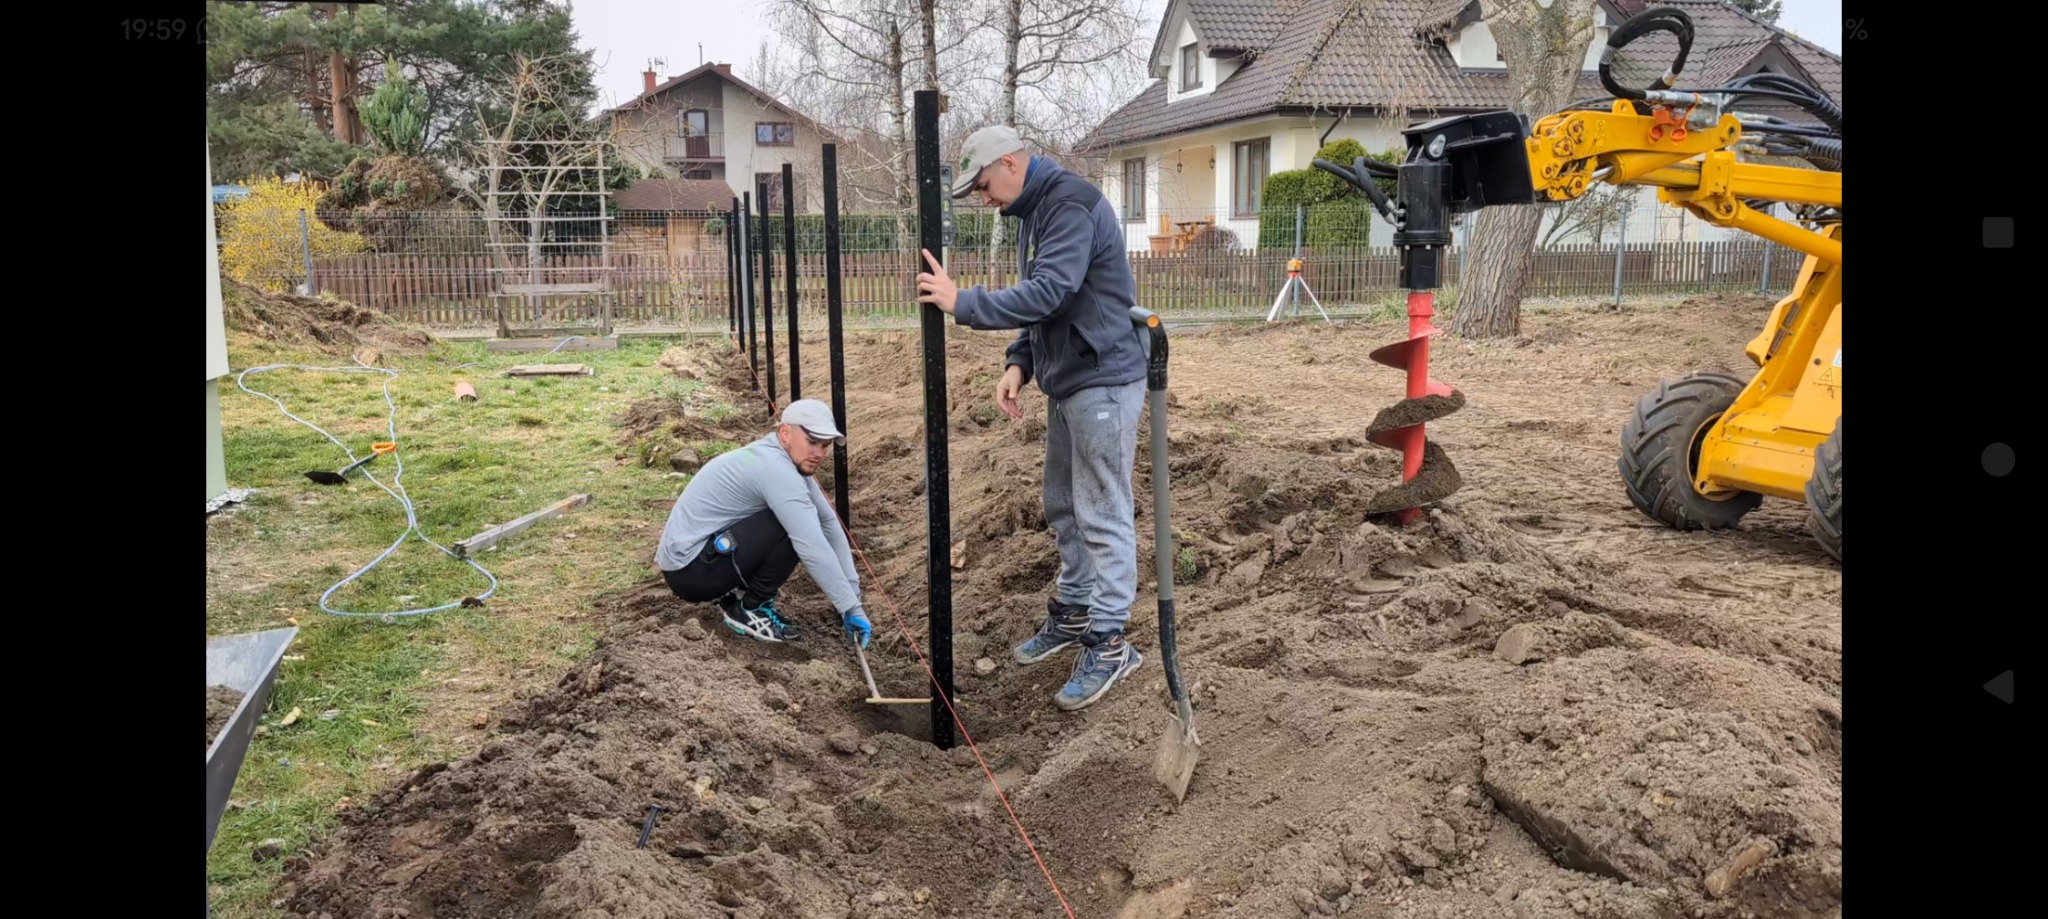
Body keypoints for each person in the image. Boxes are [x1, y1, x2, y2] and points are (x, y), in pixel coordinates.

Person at [915, 124, 1148, 712]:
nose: (984, 199)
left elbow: (1049, 291)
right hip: (1071, 378)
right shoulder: (1036, 212)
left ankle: (1110, 639)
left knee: (1102, 507)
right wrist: (1020, 360)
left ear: (1011, 164)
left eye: (985, 185)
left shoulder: (1069, 204)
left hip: (1104, 378)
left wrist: (962, 302)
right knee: (1064, 503)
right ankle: (1074, 611)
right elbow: (1047, 300)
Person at [655, 399, 873, 649]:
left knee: (800, 515)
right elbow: (811, 544)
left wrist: (852, 597)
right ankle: (752, 608)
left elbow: (829, 523)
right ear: (785, 433)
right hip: (691, 572)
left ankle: (739, 596)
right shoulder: (775, 469)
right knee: (794, 522)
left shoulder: (781, 459)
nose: (819, 453)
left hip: (696, 562)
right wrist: (848, 606)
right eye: (812, 442)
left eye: (825, 445)